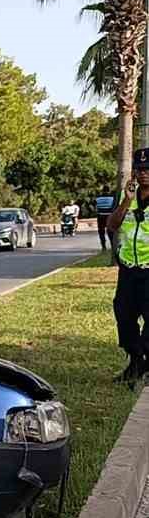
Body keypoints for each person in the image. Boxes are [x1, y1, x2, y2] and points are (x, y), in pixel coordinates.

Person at [106, 149, 149, 384]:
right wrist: (126, 201)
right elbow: (112, 226)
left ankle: (144, 362)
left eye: (148, 170)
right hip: (129, 270)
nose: (144, 174)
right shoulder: (127, 198)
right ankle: (135, 362)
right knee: (124, 316)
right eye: (140, 170)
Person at [95, 186, 115, 253]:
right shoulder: (112, 197)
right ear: (109, 190)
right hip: (110, 216)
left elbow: (96, 208)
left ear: (102, 190)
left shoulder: (98, 198)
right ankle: (112, 245)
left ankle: (103, 246)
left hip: (101, 217)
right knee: (111, 231)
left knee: (101, 232)